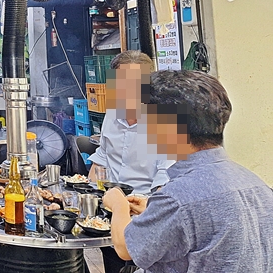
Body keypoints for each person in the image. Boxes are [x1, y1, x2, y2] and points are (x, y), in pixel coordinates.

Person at [103, 70, 273, 272]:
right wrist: (153, 209)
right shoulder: (256, 185)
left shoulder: (176, 199)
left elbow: (125, 248)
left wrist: (118, 204)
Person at [89, 50, 174, 273]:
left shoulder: (165, 123)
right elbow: (101, 161)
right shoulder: (112, 115)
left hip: (145, 216)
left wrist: (132, 209)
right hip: (110, 214)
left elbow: (165, 183)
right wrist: (90, 199)